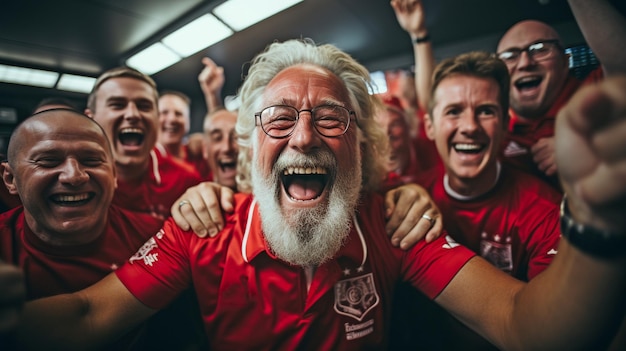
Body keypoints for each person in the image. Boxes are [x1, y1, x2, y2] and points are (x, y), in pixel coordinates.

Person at [15, 39, 626, 351]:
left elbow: (527, 328)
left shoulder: (391, 225)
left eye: (331, 119)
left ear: (362, 147)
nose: (304, 137)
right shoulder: (201, 230)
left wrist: (599, 218)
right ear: (252, 146)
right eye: (279, 119)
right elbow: (87, 315)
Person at [393, 51, 564, 350]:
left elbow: (552, 331)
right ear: (430, 126)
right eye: (454, 111)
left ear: (504, 124)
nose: (470, 126)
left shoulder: (545, 212)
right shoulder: (407, 201)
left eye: (485, 111)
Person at [0, 108, 208, 350]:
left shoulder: (157, 234)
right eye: (48, 161)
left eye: (91, 160)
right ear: (9, 179)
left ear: (114, 174)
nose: (74, 176)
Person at [393, 0, 626, 191]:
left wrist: (588, 147)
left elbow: (620, 64)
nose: (525, 63)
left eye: (540, 49)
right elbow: (435, 102)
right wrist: (419, 35)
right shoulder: (497, 125)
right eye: (511, 55)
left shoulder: (593, 98)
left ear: (566, 62)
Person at [84, 67, 202, 220]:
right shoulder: (76, 182)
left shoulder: (186, 182)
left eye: (144, 106)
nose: (133, 114)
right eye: (117, 105)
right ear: (91, 118)